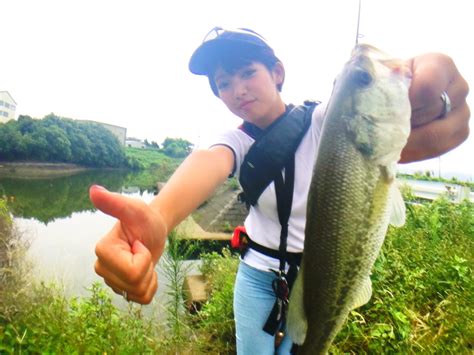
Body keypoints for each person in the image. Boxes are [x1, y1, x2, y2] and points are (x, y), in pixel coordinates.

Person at [89, 27, 470, 354]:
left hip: (316, 277)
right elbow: (207, 162)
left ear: (277, 72)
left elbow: (375, 109)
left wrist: (434, 85)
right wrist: (159, 216)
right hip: (256, 278)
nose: (237, 89)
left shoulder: (325, 121)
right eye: (224, 83)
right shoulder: (234, 142)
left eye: (247, 73)